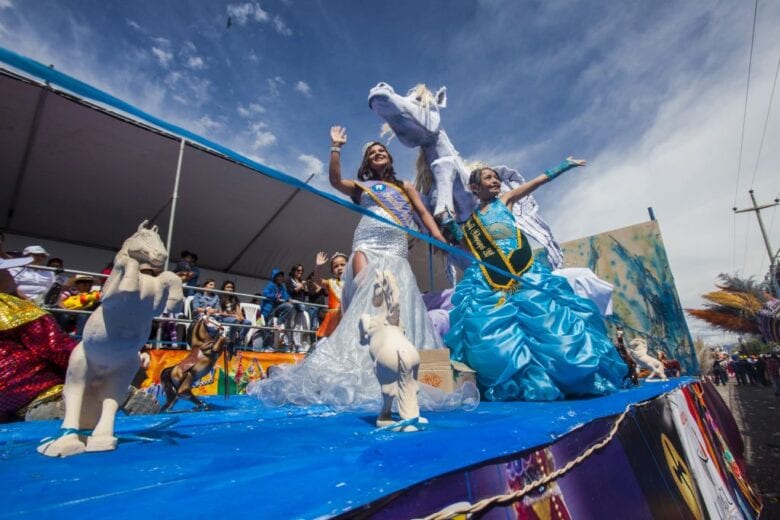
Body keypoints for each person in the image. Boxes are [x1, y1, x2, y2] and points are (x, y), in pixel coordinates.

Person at [248, 126, 476, 411]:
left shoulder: (405, 186)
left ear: (389, 159)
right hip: (367, 241)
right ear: (367, 162)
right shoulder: (362, 187)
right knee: (369, 306)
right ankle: (365, 373)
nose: (378, 154)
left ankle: (424, 378)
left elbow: (423, 216)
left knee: (407, 306)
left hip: (396, 246)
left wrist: (441, 240)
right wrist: (335, 147)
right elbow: (334, 181)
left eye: (381, 151)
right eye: (372, 153)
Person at [446, 161, 627, 401]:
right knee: (488, 326)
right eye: (489, 178)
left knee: (546, 316)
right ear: (475, 187)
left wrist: (564, 166)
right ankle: (517, 381)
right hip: (490, 275)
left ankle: (564, 374)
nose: (495, 181)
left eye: (496, 178)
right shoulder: (471, 224)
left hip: (521, 268)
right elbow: (466, 247)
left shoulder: (506, 201)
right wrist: (450, 227)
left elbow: (535, 183)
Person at [312, 251, 347, 339]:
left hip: (347, 316)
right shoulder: (331, 282)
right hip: (333, 320)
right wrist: (318, 266)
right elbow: (317, 280)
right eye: (336, 266)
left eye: (343, 264)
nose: (340, 268)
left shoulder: (352, 282)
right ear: (332, 271)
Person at [217, 280, 251, 349]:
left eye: (231, 288)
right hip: (223, 318)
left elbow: (238, 311)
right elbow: (221, 313)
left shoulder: (235, 299)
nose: (230, 289)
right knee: (234, 320)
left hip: (234, 317)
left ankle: (239, 339)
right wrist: (234, 315)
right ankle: (231, 341)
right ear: (224, 288)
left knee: (248, 322)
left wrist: (241, 316)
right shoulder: (219, 298)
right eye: (228, 287)